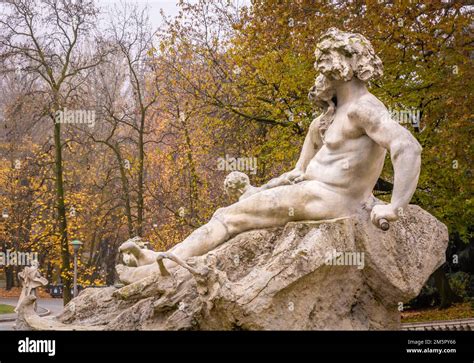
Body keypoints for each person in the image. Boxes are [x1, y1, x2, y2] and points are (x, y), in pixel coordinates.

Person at [117, 28, 421, 285]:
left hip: (329, 199)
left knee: (229, 217)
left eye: (325, 59)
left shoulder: (364, 108)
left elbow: (407, 146)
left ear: (344, 62)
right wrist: (260, 190)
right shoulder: (330, 117)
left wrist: (395, 207)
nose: (320, 66)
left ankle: (157, 268)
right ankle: (161, 261)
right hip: (311, 192)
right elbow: (298, 171)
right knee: (233, 210)